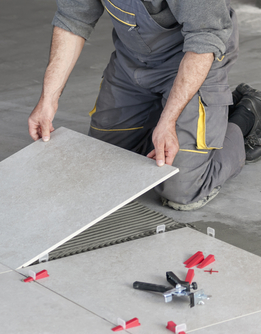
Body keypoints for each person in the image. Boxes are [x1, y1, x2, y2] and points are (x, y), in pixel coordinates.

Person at [28, 0, 261, 211]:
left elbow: (205, 38)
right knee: (104, 165)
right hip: (133, 63)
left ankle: (245, 117)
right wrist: (48, 99)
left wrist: (169, 120)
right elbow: (73, 19)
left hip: (193, 59)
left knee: (181, 188)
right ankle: (197, 121)